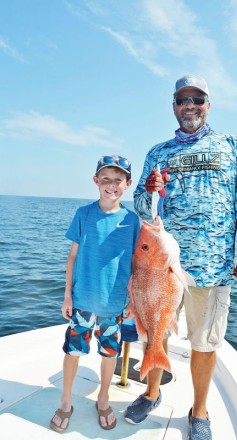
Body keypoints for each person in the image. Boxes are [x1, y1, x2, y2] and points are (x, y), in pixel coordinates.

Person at [124, 75, 237, 440]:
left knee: (205, 342)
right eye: (183, 100)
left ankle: (199, 412)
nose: (190, 106)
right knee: (156, 330)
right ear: (174, 106)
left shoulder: (232, 146)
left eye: (197, 99)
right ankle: (152, 393)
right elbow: (141, 206)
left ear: (208, 103)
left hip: (212, 266)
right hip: (160, 266)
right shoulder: (158, 153)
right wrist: (148, 190)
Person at [50, 155, 140, 433]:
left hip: (114, 305)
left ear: (127, 184)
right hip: (82, 302)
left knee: (109, 353)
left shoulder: (132, 221)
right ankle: (66, 401)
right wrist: (67, 296)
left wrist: (133, 302)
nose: (111, 185)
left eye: (117, 180)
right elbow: (72, 256)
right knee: (73, 350)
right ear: (95, 181)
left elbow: (137, 265)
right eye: (105, 179)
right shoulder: (83, 214)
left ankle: (103, 398)